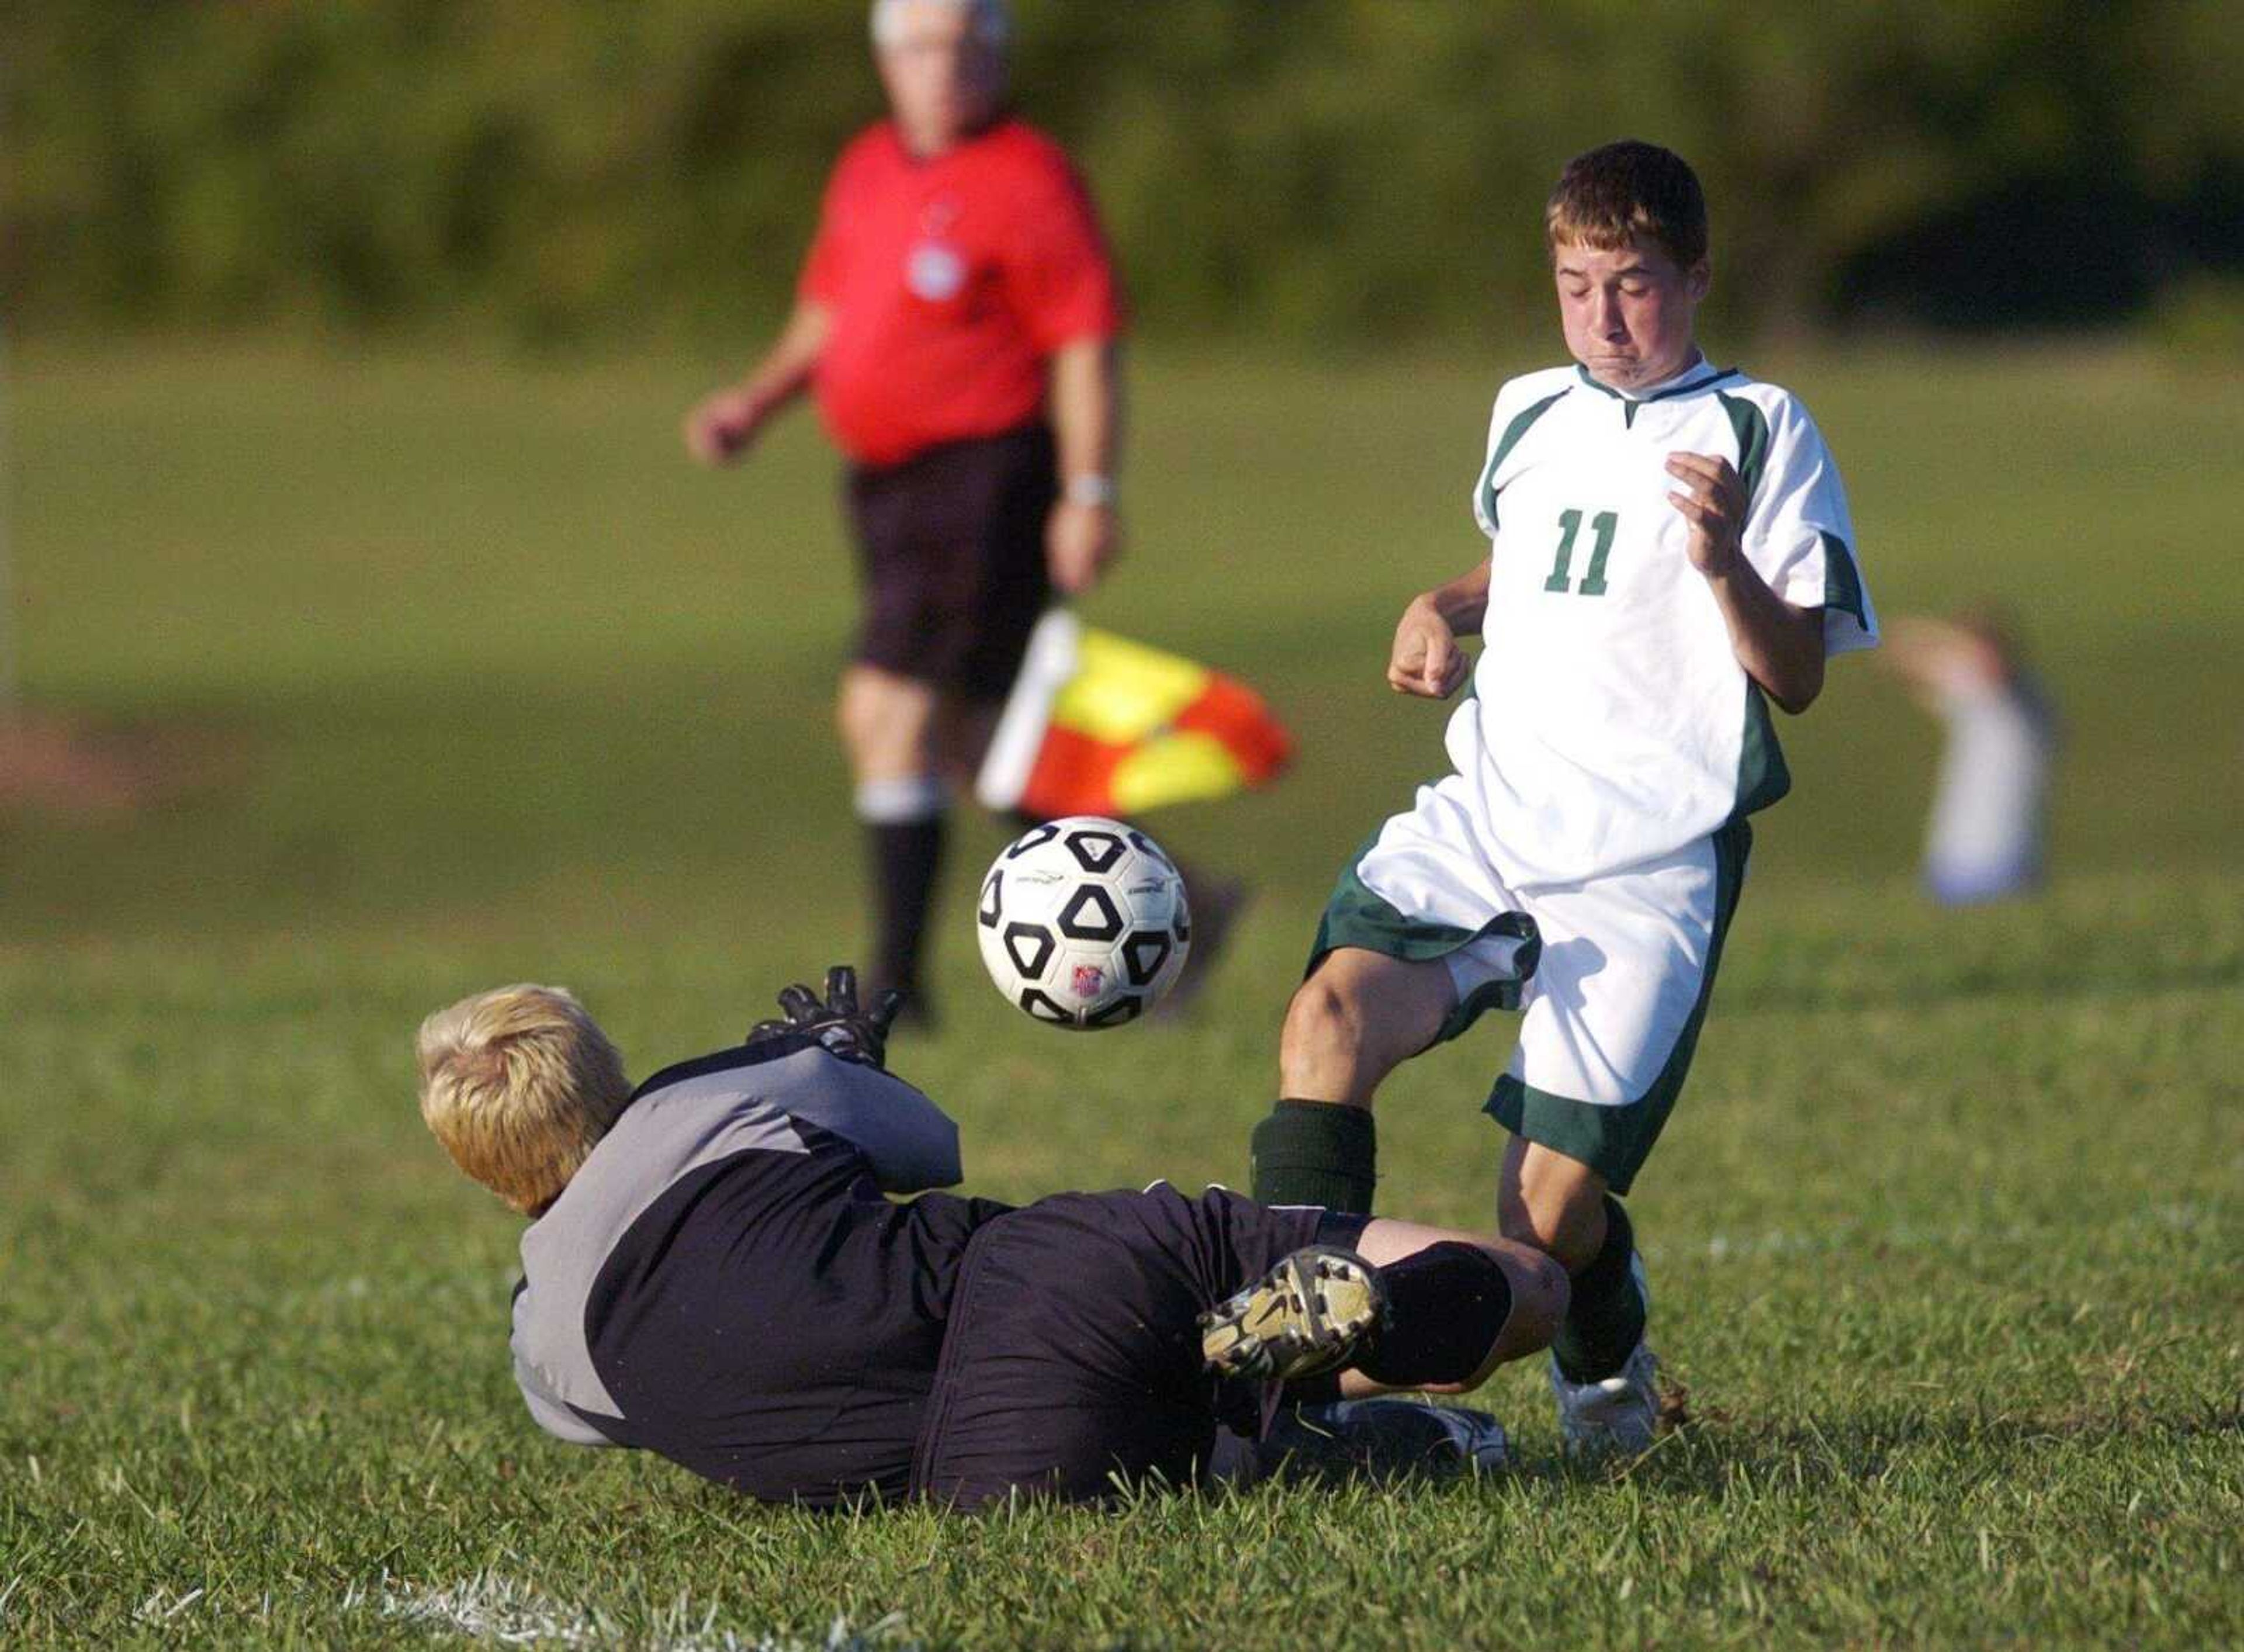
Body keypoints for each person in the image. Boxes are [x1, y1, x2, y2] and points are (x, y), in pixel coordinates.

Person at [1245, 141, 1879, 1456]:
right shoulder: (1530, 406)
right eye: (1576, 281)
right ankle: (1281, 1391)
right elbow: (1538, 557)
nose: (1601, 314)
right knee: (1325, 1024)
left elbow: (1800, 674)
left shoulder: (1762, 428)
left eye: (1634, 284)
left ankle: (1603, 1364)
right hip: (1492, 814)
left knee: (1542, 1224)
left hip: (1646, 862)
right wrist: (1446, 602)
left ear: (1696, 276)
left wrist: (1720, 564)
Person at [414, 968, 1568, 1509]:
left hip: (993, 1465)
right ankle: (1283, 1343)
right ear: (604, 1078)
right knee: (1521, 1288)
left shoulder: (544, 1352)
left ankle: (1270, 1412)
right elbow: (928, 1145)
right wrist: (835, 1064)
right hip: (1056, 1284)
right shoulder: (694, 1105)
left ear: (481, 1168)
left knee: (1192, 1453)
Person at [683, 0, 1128, 1019]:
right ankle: (1176, 906)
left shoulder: (1029, 177)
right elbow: (828, 313)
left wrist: (1089, 492)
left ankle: (895, 985)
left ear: (997, 58)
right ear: (888, 60)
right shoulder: (869, 166)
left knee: (885, 707)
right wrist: (754, 403)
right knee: (978, 743)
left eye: (968, 48)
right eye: (924, 47)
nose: (945, 68)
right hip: (884, 486)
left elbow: (1085, 345)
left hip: (983, 476)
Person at [1881, 611, 2056, 905]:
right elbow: (1896, 647)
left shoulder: (2024, 703)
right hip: (1954, 858)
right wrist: (1960, 644)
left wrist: (1962, 645)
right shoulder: (1974, 697)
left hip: (2010, 859)